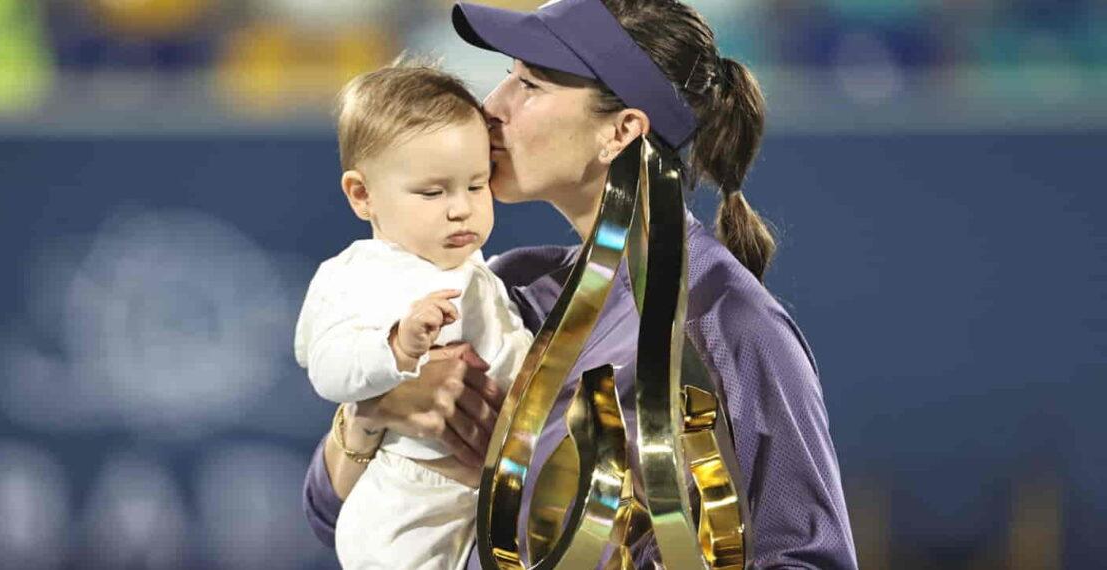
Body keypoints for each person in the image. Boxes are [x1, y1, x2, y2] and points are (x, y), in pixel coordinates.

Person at [303, 0, 859, 568]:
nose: (491, 108)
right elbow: (327, 511)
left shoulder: (727, 320)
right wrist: (375, 412)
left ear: (620, 131)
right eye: (505, 78)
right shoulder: (511, 285)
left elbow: (805, 557)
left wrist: (541, 495)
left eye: (530, 85)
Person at [294, 62, 533, 569]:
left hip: (487, 497)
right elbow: (326, 363)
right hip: (409, 498)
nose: (461, 209)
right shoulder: (361, 274)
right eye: (433, 192)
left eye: (476, 185)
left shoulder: (482, 271)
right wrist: (397, 348)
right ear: (363, 195)